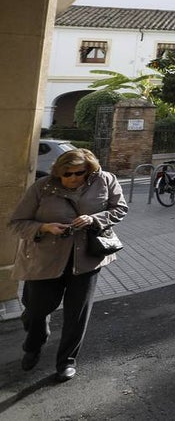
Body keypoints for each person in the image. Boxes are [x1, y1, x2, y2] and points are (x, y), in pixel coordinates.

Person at [8, 148, 127, 381]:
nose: (71, 178)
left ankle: (67, 361)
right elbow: (16, 223)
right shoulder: (42, 187)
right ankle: (34, 344)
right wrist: (44, 227)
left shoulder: (105, 180)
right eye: (66, 174)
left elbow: (120, 209)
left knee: (77, 313)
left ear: (89, 170)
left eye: (78, 173)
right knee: (37, 310)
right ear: (58, 172)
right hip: (45, 259)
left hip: (86, 260)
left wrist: (95, 219)